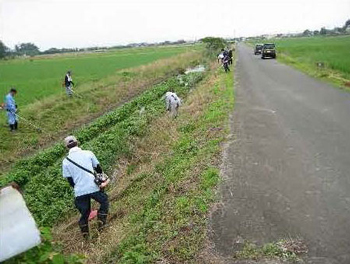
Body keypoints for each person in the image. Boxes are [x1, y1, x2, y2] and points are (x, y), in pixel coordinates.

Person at [62, 136, 109, 239]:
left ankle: (86, 237)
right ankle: (101, 226)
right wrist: (102, 182)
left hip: (79, 191)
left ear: (66, 147)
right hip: (93, 186)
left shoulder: (65, 161)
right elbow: (99, 169)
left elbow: (70, 181)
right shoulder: (88, 153)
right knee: (104, 201)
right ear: (77, 142)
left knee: (85, 213)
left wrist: (79, 187)